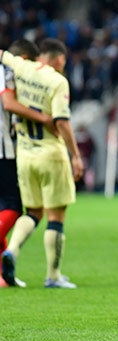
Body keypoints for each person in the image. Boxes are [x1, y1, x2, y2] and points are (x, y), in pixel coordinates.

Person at [1, 38, 83, 289]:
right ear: (57, 58)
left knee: (34, 212)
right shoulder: (57, 81)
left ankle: (12, 251)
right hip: (50, 154)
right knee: (56, 216)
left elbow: (4, 54)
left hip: (25, 156)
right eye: (63, 62)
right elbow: (61, 120)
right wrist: (76, 155)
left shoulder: (22, 68)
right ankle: (53, 275)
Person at [0, 39, 57, 287]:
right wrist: (44, 118)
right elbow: (9, 104)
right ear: (24, 59)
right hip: (6, 150)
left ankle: (3, 275)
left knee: (5, 205)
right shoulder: (8, 72)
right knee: (16, 205)